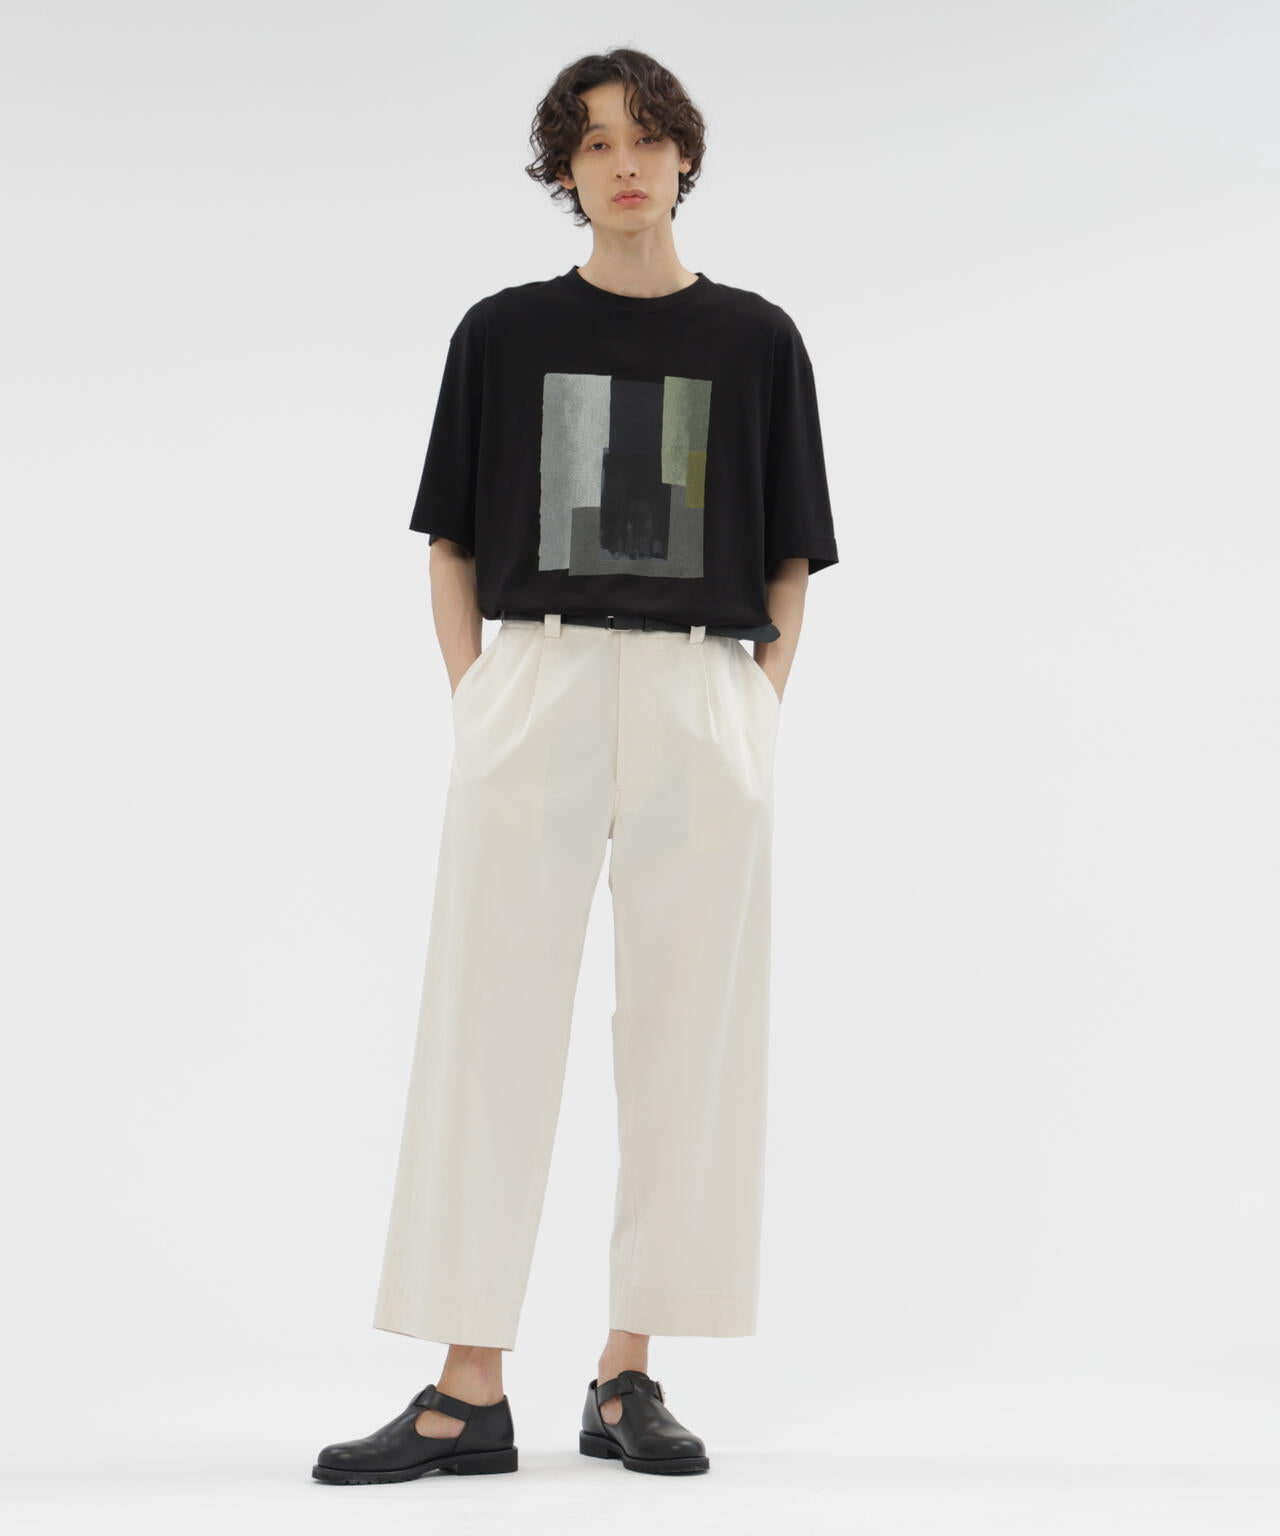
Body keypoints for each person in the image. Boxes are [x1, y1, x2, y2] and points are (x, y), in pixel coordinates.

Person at [312, 46, 838, 1485]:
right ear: (563, 171)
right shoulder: (502, 332)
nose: (625, 163)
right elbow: (451, 539)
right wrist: (480, 700)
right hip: (534, 680)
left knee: (687, 1033)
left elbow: (792, 551)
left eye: (648, 137)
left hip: (702, 690)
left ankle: (627, 1372)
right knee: (486, 1019)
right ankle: (466, 1386)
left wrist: (752, 714)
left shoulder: (759, 339)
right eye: (595, 143)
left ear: (686, 156)